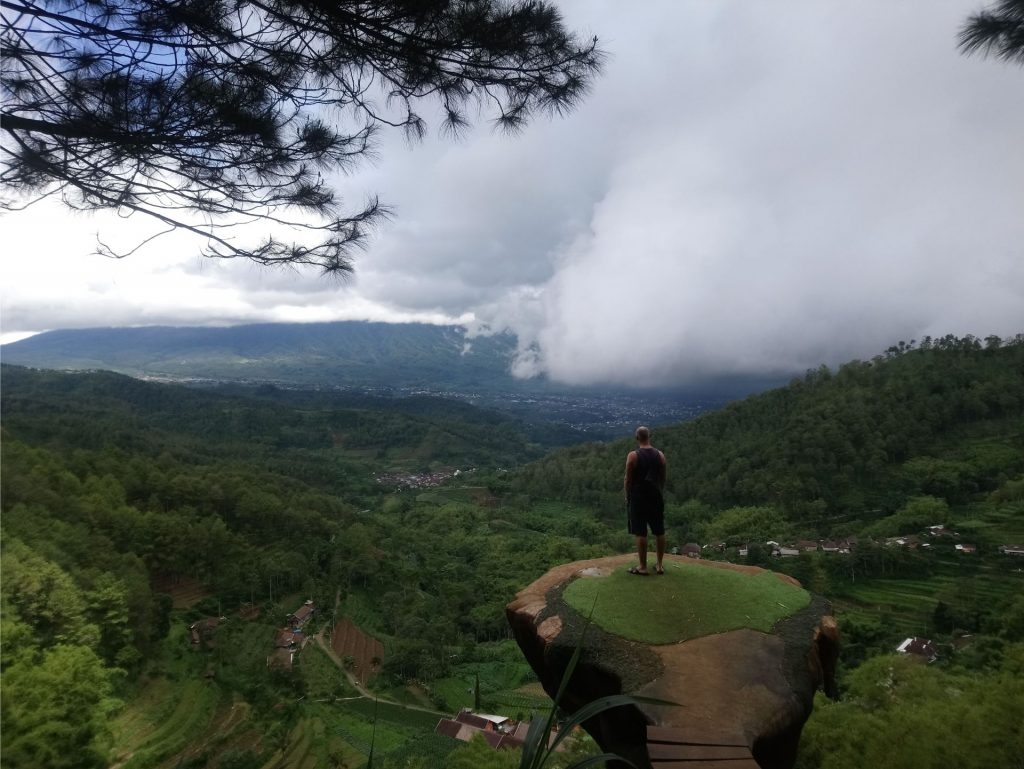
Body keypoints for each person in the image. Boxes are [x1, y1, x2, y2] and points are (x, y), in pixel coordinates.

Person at [623, 426, 667, 575]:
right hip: (655, 495)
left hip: (638, 496)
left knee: (640, 532)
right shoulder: (660, 455)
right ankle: (660, 565)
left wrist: (627, 495)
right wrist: (659, 491)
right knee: (659, 530)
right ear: (650, 437)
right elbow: (663, 477)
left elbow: (628, 479)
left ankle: (642, 566)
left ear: (637, 438)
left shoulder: (633, 456)